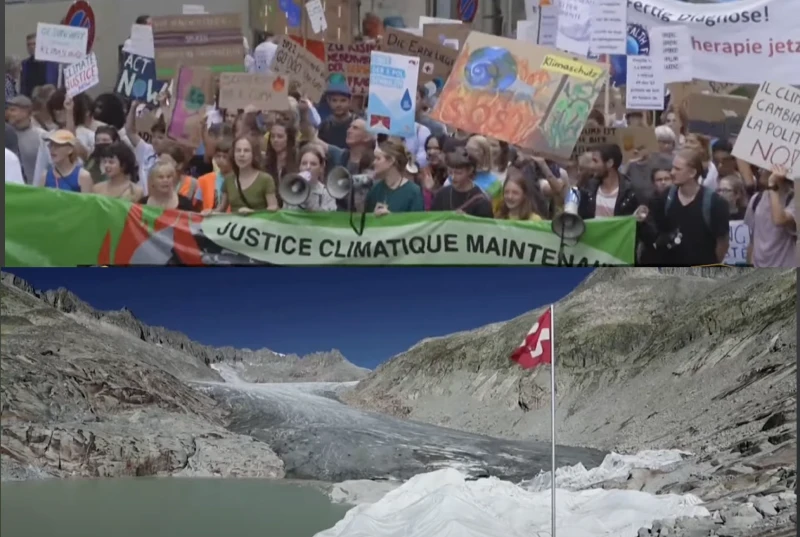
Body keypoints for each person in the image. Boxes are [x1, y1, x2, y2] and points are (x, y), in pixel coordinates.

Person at [644, 148, 730, 266]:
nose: (672, 172)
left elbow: (722, 242)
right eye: (673, 167)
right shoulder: (665, 198)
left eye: (678, 169)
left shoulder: (715, 203)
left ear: (692, 173)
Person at [744, 165, 795, 268]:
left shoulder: (794, 200)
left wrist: (773, 185)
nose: (759, 170)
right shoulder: (756, 199)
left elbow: (779, 220)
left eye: (765, 167)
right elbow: (751, 239)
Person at [213, 135, 278, 213]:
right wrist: (209, 213)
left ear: (253, 154)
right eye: (238, 150)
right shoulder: (228, 180)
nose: (242, 154)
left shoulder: (265, 179)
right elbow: (221, 209)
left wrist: (253, 212)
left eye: (246, 151)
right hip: (235, 224)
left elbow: (273, 208)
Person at [577, 144, 640, 220]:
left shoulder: (631, 193)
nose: (592, 166)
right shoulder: (587, 188)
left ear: (610, 163)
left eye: (595, 161)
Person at [365, 139, 425, 215]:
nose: (374, 162)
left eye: (378, 158)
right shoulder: (375, 190)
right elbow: (366, 221)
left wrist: (392, 218)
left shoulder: (413, 192)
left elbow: (417, 223)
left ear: (391, 161)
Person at [430, 147, 493, 218]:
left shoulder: (481, 202)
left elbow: (486, 227)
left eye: (458, 173)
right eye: (450, 172)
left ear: (470, 170)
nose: (452, 177)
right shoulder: (441, 194)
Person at [283, 144, 337, 212]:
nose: (308, 167)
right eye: (304, 163)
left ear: (321, 168)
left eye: (313, 164)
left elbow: (329, 218)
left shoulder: (326, 194)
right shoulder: (290, 190)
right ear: (299, 167)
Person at [6, 96, 44, 183]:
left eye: (13, 110)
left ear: (25, 112)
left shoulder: (41, 137)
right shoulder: (6, 136)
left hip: (33, 190)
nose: (9, 113)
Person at [20, 33, 59, 97]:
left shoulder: (53, 64)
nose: (31, 47)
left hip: (48, 100)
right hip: (29, 100)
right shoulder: (25, 64)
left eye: (34, 44)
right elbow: (23, 85)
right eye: (28, 44)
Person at [317, 81, 354, 148]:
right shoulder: (325, 125)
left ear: (350, 101)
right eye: (334, 100)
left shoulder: (356, 124)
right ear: (329, 101)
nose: (338, 105)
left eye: (343, 100)